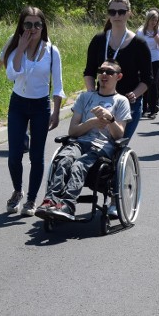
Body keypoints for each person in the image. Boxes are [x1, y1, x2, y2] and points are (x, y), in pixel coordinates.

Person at [36, 60, 131, 220]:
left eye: (109, 72)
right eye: (101, 71)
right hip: (79, 142)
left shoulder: (121, 101)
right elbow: (72, 131)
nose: (104, 75)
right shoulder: (85, 97)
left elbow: (119, 135)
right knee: (64, 160)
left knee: (79, 165)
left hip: (102, 147)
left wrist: (110, 119)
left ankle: (67, 204)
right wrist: (92, 122)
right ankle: (50, 200)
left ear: (118, 76)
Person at [4, 7, 65, 215]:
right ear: (22, 26)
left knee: (36, 156)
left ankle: (31, 200)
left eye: (37, 24)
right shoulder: (14, 48)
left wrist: (56, 112)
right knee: (14, 155)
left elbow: (58, 85)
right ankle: (18, 191)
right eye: (28, 24)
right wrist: (20, 49)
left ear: (43, 26)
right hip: (18, 104)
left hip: (40, 106)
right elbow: (12, 75)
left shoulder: (51, 50)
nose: (33, 28)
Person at [83, 0, 153, 140]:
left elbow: (148, 78)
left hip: (127, 104)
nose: (117, 15)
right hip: (101, 102)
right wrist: (91, 93)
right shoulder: (99, 40)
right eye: (112, 12)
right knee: (95, 144)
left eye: (121, 12)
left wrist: (136, 93)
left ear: (129, 13)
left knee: (116, 146)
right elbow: (89, 71)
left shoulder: (139, 43)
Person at [137, 9, 159, 120]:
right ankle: (144, 108)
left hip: (155, 58)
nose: (154, 22)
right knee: (144, 82)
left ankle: (153, 109)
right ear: (148, 20)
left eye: (156, 20)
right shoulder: (141, 31)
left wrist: (158, 41)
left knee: (153, 83)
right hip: (143, 59)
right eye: (152, 19)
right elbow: (137, 47)